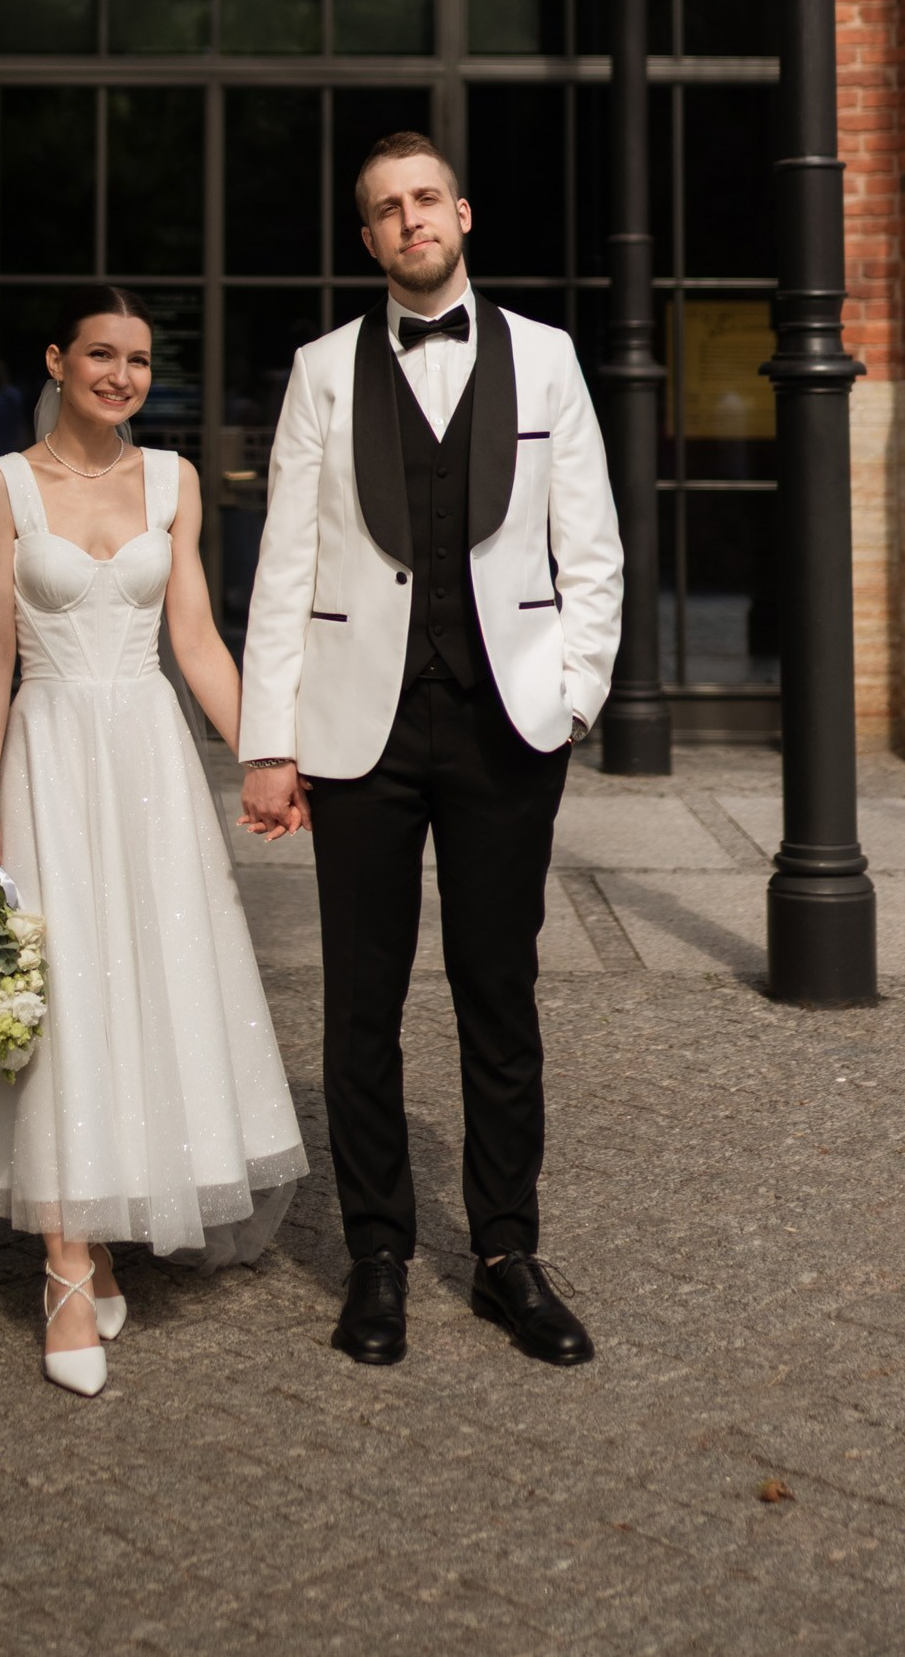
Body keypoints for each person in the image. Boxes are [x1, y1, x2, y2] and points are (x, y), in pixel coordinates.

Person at [238, 133, 621, 1370]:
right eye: (384, 210)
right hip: (359, 727)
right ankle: (378, 1256)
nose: (409, 220)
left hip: (507, 721)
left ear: (461, 211)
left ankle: (507, 1251)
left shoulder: (549, 358)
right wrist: (267, 738)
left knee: (495, 993)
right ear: (367, 239)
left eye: (424, 199)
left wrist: (570, 696)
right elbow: (285, 560)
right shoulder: (322, 369)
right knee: (361, 1005)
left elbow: (592, 549)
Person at [0, 285, 306, 1397]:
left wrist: (265, 755)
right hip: (47, 757)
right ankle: (62, 1262)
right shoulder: (1, 486)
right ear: (56, 358)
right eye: (100, 352)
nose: (120, 374)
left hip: (148, 757)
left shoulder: (174, 480)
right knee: (61, 999)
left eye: (137, 358)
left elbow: (194, 636)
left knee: (145, 980)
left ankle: (107, 1211)